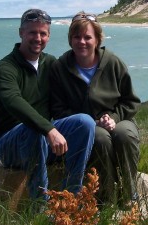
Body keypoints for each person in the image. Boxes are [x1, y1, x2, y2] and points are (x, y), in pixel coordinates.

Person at [0, 9, 95, 204]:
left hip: (43, 139)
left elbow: (71, 92)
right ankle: (40, 206)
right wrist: (49, 129)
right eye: (32, 32)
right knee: (33, 130)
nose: (37, 38)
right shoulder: (6, 68)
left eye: (43, 33)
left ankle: (70, 198)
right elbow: (14, 101)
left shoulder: (50, 63)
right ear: (21, 32)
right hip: (10, 145)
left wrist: (104, 115)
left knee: (85, 122)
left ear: (48, 36)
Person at [50, 11, 141, 206]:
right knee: (99, 137)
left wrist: (113, 118)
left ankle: (129, 192)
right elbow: (57, 109)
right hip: (84, 125)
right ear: (70, 40)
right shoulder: (60, 67)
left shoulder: (113, 63)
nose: (81, 42)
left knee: (124, 135)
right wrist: (90, 121)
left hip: (119, 119)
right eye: (76, 37)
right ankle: (105, 198)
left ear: (98, 39)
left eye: (87, 37)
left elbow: (131, 101)